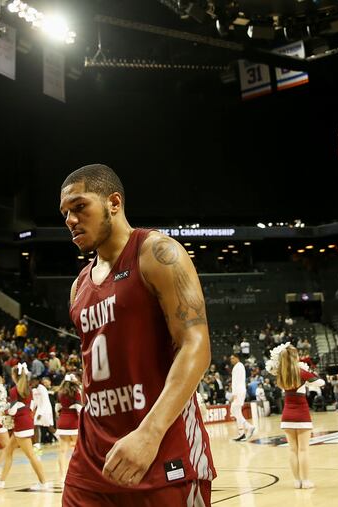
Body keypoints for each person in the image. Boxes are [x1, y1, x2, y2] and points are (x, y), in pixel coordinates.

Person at [59, 164, 215, 506]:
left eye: (80, 206)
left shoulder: (158, 253)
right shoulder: (78, 287)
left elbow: (197, 346)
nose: (70, 219)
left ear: (113, 202)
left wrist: (149, 434)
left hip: (160, 450)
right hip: (91, 462)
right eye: (65, 212)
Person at [0, 362, 50, 490]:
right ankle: (1, 481)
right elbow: (32, 406)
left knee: (31, 455)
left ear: (13, 375)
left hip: (21, 425)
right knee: (8, 451)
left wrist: (3, 411)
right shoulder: (29, 389)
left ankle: (43, 482)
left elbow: (12, 411)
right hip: (27, 422)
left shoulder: (14, 390)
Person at [271, 344, 324, 489]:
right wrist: (309, 372)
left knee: (292, 450)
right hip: (301, 415)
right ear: (295, 357)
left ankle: (297, 481)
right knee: (303, 450)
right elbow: (321, 382)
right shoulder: (301, 372)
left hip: (287, 415)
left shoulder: (281, 374)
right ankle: (306, 481)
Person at [56, 373, 82, 481]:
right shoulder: (76, 393)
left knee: (62, 451)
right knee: (79, 450)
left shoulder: (60, 393)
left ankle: (62, 476)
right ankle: (79, 474)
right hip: (73, 423)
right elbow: (79, 409)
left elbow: (57, 408)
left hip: (62, 422)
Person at [230, 353, 254, 441]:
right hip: (240, 391)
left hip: (238, 392)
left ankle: (247, 428)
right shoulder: (239, 366)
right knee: (235, 411)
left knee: (235, 410)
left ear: (237, 358)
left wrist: (234, 394)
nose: (231, 360)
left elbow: (236, 382)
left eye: (232, 358)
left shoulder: (238, 366)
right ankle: (242, 431)